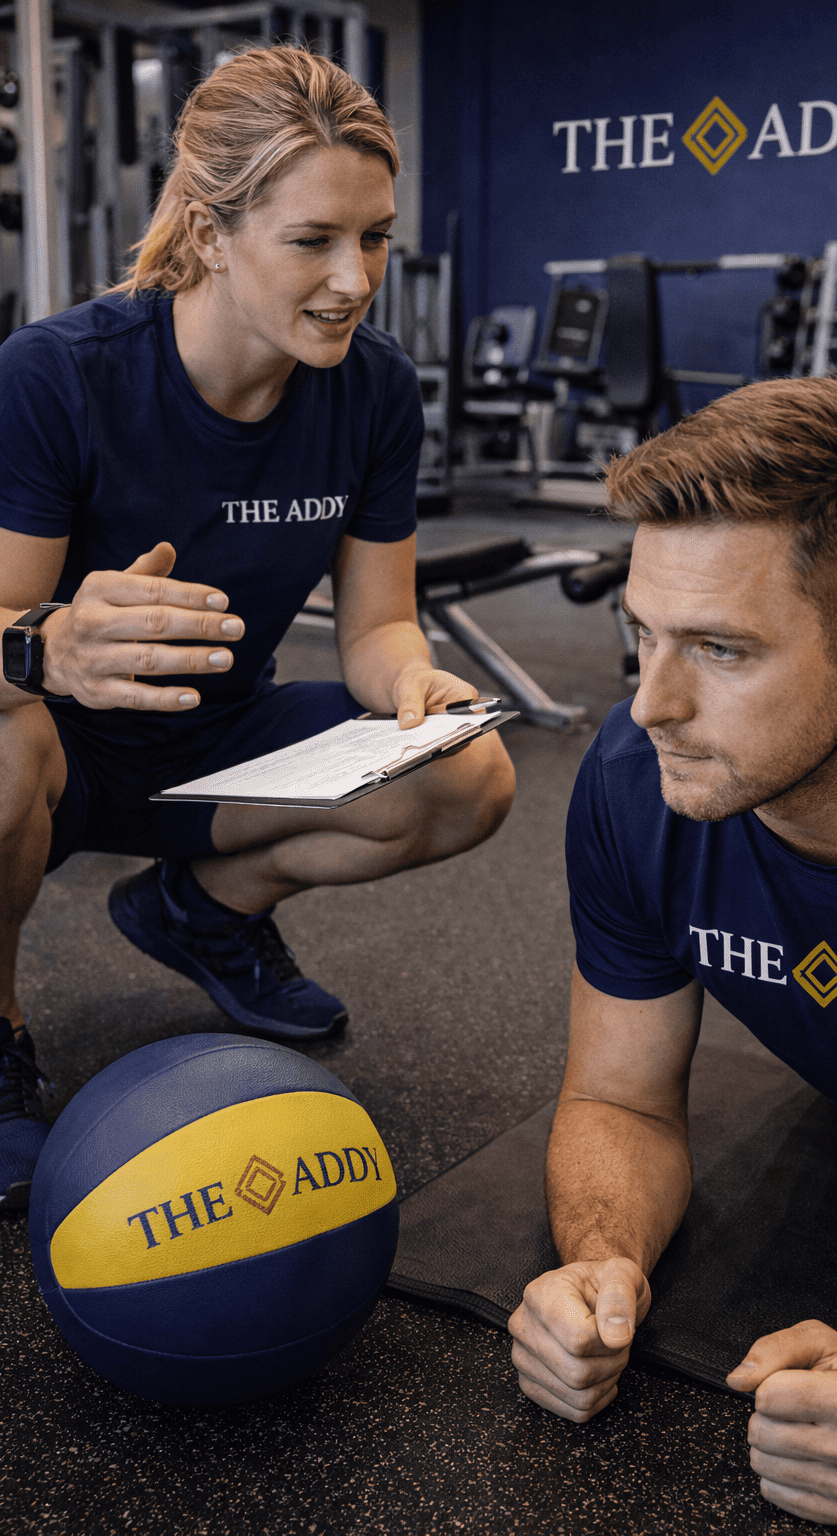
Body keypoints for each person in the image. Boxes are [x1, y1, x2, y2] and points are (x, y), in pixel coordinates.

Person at [0, 47, 514, 1213]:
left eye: (375, 236)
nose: (356, 277)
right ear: (209, 228)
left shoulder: (373, 388)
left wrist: (416, 685)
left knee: (467, 776)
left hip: (218, 746)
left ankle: (201, 909)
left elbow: (379, 625)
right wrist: (51, 648)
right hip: (59, 755)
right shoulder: (58, 376)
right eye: (313, 240)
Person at [508, 375, 837, 1526]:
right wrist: (602, 1261)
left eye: (721, 650)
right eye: (640, 634)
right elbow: (620, 1100)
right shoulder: (635, 784)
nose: (651, 705)